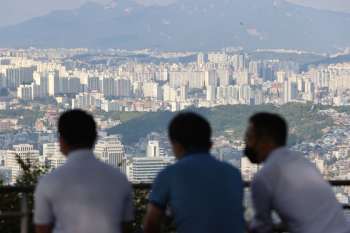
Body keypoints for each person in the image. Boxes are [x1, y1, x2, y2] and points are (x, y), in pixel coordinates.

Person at [245, 112, 350, 233]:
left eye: (249, 138)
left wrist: (245, 224)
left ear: (263, 140)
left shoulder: (264, 177)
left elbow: (261, 229)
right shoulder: (304, 162)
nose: (248, 144)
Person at [143, 112, 245, 233]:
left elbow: (150, 227)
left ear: (176, 146)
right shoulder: (233, 173)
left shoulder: (169, 175)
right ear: (210, 145)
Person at [34, 110, 133, 233]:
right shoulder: (120, 179)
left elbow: (42, 229)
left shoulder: (48, 182)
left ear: (62, 141)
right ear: (95, 137)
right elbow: (125, 226)